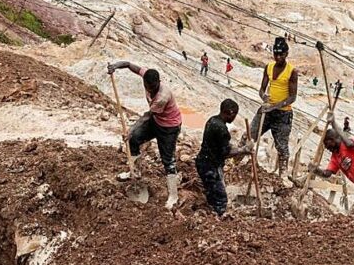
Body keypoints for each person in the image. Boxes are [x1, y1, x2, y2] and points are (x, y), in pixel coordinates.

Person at [106, 61, 183, 208]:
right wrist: (116, 66)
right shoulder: (147, 75)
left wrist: (130, 129)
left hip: (169, 127)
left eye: (153, 87)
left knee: (168, 160)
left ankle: (173, 196)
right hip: (156, 120)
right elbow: (129, 65)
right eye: (148, 87)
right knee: (134, 140)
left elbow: (147, 116)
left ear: (158, 82)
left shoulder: (162, 97)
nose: (150, 90)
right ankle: (135, 172)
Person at [251, 36, 298, 178]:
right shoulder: (269, 67)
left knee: (282, 147)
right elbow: (262, 89)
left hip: (283, 114)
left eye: (281, 55)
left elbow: (292, 97)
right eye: (275, 54)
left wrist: (275, 106)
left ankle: (283, 175)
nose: (278, 57)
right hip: (267, 110)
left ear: (286, 54)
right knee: (250, 136)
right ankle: (235, 163)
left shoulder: (291, 71)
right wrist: (263, 97)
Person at [196, 99, 251, 217]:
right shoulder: (221, 129)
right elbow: (226, 153)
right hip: (210, 166)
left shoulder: (212, 120)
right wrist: (244, 150)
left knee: (212, 192)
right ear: (230, 113)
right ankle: (218, 219)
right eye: (235, 115)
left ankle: (210, 211)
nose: (234, 118)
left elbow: (220, 144)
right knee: (221, 198)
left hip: (203, 161)